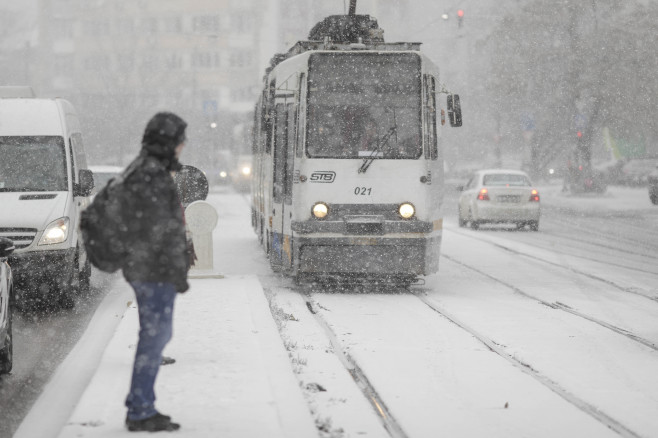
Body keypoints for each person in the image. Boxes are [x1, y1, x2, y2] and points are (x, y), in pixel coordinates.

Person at [120, 112, 190, 432]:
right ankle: (140, 410)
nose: (182, 146)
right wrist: (170, 266)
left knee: (157, 334)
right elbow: (153, 229)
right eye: (178, 140)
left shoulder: (148, 169)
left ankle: (140, 404)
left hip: (150, 267)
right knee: (155, 336)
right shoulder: (149, 174)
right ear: (167, 142)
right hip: (151, 270)